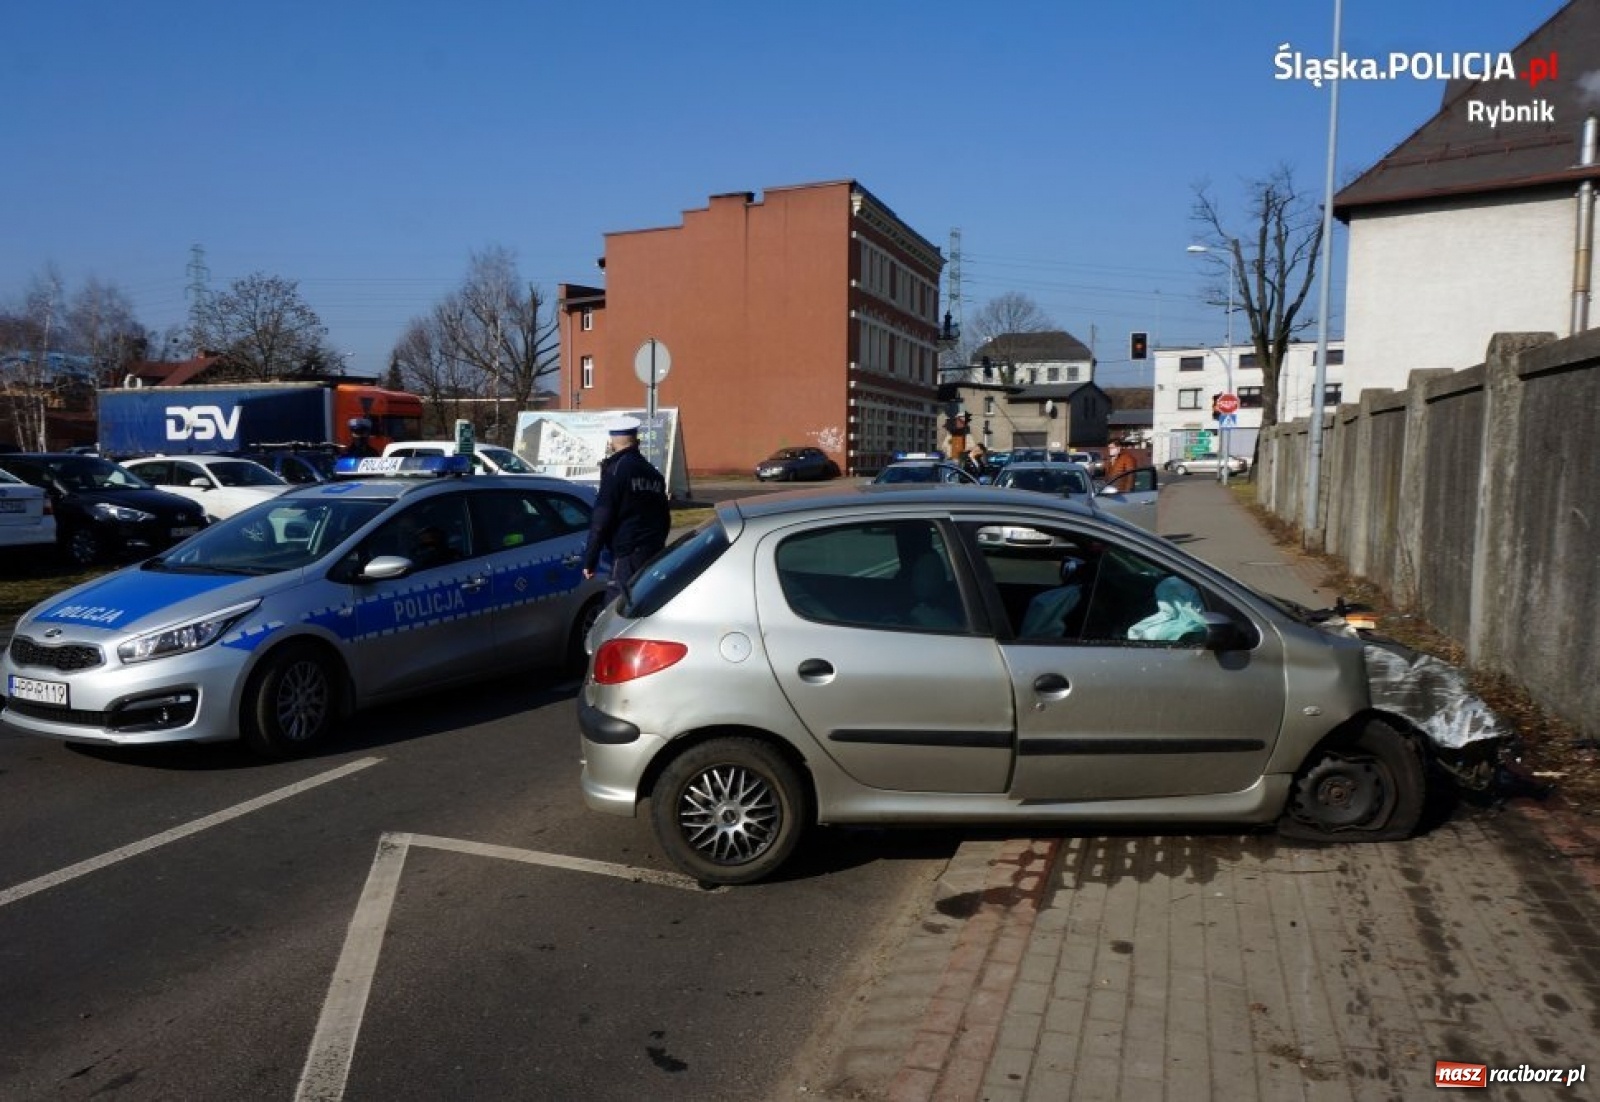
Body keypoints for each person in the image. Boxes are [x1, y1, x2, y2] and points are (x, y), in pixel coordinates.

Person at [583, 416, 670, 601]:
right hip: (653, 551)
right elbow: (665, 518)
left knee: (617, 608)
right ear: (635, 440)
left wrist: (590, 559)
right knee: (646, 602)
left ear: (612, 441)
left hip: (627, 555)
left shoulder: (616, 470)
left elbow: (601, 519)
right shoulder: (653, 473)